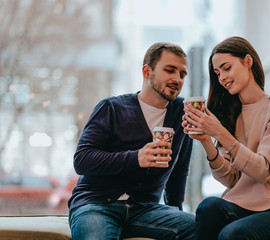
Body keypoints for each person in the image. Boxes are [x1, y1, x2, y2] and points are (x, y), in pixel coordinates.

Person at [183, 36, 270, 240]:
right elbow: (231, 179)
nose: (221, 77)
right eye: (217, 72)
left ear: (248, 61)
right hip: (243, 207)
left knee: (232, 234)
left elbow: (263, 170)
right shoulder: (232, 113)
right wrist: (206, 140)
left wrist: (219, 132)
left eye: (226, 68)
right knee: (208, 207)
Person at [68, 42, 196, 240]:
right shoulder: (112, 108)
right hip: (96, 204)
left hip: (146, 210)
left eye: (182, 74)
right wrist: (136, 158)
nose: (177, 79)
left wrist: (175, 212)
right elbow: (83, 160)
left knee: (201, 228)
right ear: (147, 71)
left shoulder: (182, 113)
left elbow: (179, 171)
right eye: (169, 70)